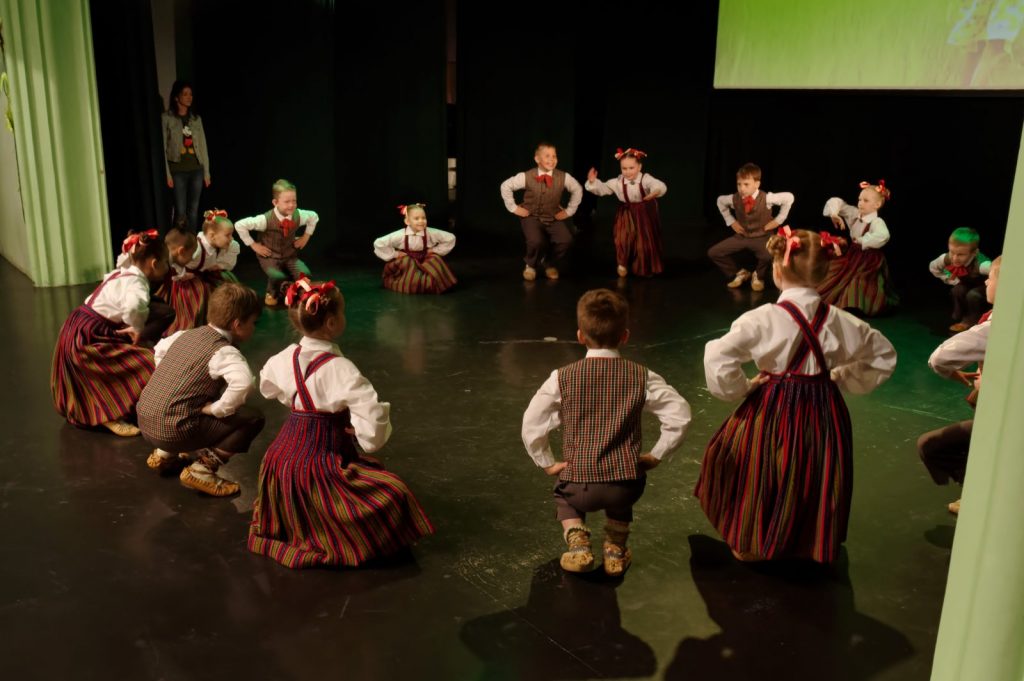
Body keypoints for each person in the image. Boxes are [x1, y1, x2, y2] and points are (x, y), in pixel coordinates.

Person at [697, 228, 896, 563]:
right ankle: (806, 539)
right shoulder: (843, 321)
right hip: (822, 407)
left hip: (772, 405)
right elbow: (882, 355)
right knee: (813, 468)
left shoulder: (761, 319)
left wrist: (741, 388)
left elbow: (718, 355)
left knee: (759, 467)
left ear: (777, 271)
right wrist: (839, 377)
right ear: (827, 273)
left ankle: (753, 540)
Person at [249, 278, 433, 568]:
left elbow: (268, 386)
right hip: (317, 463)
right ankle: (330, 527)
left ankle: (299, 516)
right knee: (393, 492)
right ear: (332, 323)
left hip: (279, 462)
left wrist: (303, 404)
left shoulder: (283, 358)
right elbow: (372, 422)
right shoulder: (342, 369)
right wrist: (362, 436)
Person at [522, 289, 691, 576]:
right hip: (625, 486)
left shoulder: (561, 377)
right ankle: (615, 551)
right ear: (625, 336)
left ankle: (578, 546)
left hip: (579, 486)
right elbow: (680, 414)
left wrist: (546, 462)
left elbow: (532, 422)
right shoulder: (642, 376)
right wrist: (657, 455)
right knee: (622, 493)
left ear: (580, 336)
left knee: (563, 494)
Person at [138, 283, 264, 496]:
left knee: (186, 402)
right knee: (253, 418)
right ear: (237, 324)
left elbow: (158, 350)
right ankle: (202, 469)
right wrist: (215, 410)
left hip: (144, 420)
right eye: (253, 322)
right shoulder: (224, 351)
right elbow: (244, 383)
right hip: (174, 431)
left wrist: (168, 378)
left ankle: (165, 455)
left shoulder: (184, 335)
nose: (254, 327)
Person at [51, 230, 169, 436]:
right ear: (154, 263)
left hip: (78, 325)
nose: (168, 268)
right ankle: (109, 414)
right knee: (144, 363)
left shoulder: (124, 272)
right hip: (87, 339)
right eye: (166, 263)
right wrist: (137, 327)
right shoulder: (137, 283)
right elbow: (133, 307)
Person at [918, 255, 1001, 515]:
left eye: (992, 278)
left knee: (934, 446)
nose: (987, 281)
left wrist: (955, 374)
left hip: (1003, 415)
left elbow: (940, 358)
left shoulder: (994, 327)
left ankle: (980, 497)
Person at [500, 142, 583, 281]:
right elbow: (505, 186)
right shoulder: (526, 176)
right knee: (535, 241)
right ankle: (531, 265)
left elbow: (577, 189)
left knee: (565, 240)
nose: (552, 159)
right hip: (531, 215)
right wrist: (514, 208)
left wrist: (569, 211)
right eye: (547, 156)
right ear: (537, 159)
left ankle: (548, 261)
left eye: (554, 156)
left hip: (553, 216)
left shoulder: (563, 177)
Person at [710, 162, 794, 291]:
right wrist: (731, 221)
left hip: (762, 236)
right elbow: (720, 201)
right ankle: (741, 273)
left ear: (757, 184)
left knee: (769, 254)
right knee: (714, 252)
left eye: (746, 184)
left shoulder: (767, 198)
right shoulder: (735, 198)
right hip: (743, 236)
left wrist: (778, 221)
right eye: (739, 184)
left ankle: (758, 276)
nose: (741, 188)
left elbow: (789, 197)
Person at [818, 179, 897, 315]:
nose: (860, 203)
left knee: (859, 281)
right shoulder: (854, 214)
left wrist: (862, 240)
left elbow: (883, 236)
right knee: (835, 274)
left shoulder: (876, 221)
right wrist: (834, 214)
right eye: (859, 199)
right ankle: (840, 299)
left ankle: (856, 304)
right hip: (853, 255)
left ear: (877, 205)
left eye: (865, 200)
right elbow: (836, 202)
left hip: (868, 259)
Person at [234, 178, 319, 306]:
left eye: (294, 201)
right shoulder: (264, 220)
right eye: (287, 202)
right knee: (277, 276)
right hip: (270, 256)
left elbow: (314, 216)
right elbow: (239, 225)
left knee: (304, 273)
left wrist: (305, 237)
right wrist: (254, 245)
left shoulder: (299, 215)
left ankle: (301, 294)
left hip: (290, 255)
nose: (291, 205)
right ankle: (273, 293)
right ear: (275, 202)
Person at [585, 147, 667, 277]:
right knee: (622, 238)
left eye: (631, 168)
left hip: (644, 212)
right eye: (624, 168)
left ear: (639, 167)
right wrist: (592, 182)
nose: (628, 172)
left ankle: (643, 267)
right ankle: (622, 263)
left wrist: (655, 191)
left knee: (643, 242)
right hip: (626, 211)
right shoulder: (618, 182)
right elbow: (603, 188)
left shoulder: (645, 179)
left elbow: (658, 185)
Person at [373, 203, 457, 293]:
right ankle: (411, 284)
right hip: (407, 260)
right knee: (408, 268)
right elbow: (379, 243)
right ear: (407, 221)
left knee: (435, 259)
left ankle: (431, 284)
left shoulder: (429, 232)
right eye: (416, 219)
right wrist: (396, 254)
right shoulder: (401, 234)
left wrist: (434, 250)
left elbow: (450, 238)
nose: (421, 221)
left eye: (423, 218)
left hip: (425, 257)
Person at [161, 80, 210, 230]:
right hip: (178, 171)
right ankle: (178, 241)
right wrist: (167, 174)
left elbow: (203, 146)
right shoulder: (167, 118)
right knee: (180, 211)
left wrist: (206, 173)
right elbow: (163, 147)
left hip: (196, 169)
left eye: (191, 94)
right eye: (185, 94)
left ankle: (191, 240)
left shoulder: (196, 119)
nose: (189, 97)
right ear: (177, 97)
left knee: (193, 210)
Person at [928, 227, 991, 332]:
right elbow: (933, 267)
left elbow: (997, 273)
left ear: (974, 253)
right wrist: (952, 280)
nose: (955, 258)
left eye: (961, 255)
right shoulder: (946, 258)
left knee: (973, 295)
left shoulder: (982, 265)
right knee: (957, 290)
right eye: (952, 252)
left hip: (984, 286)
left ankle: (971, 321)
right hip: (968, 284)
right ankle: (959, 316)